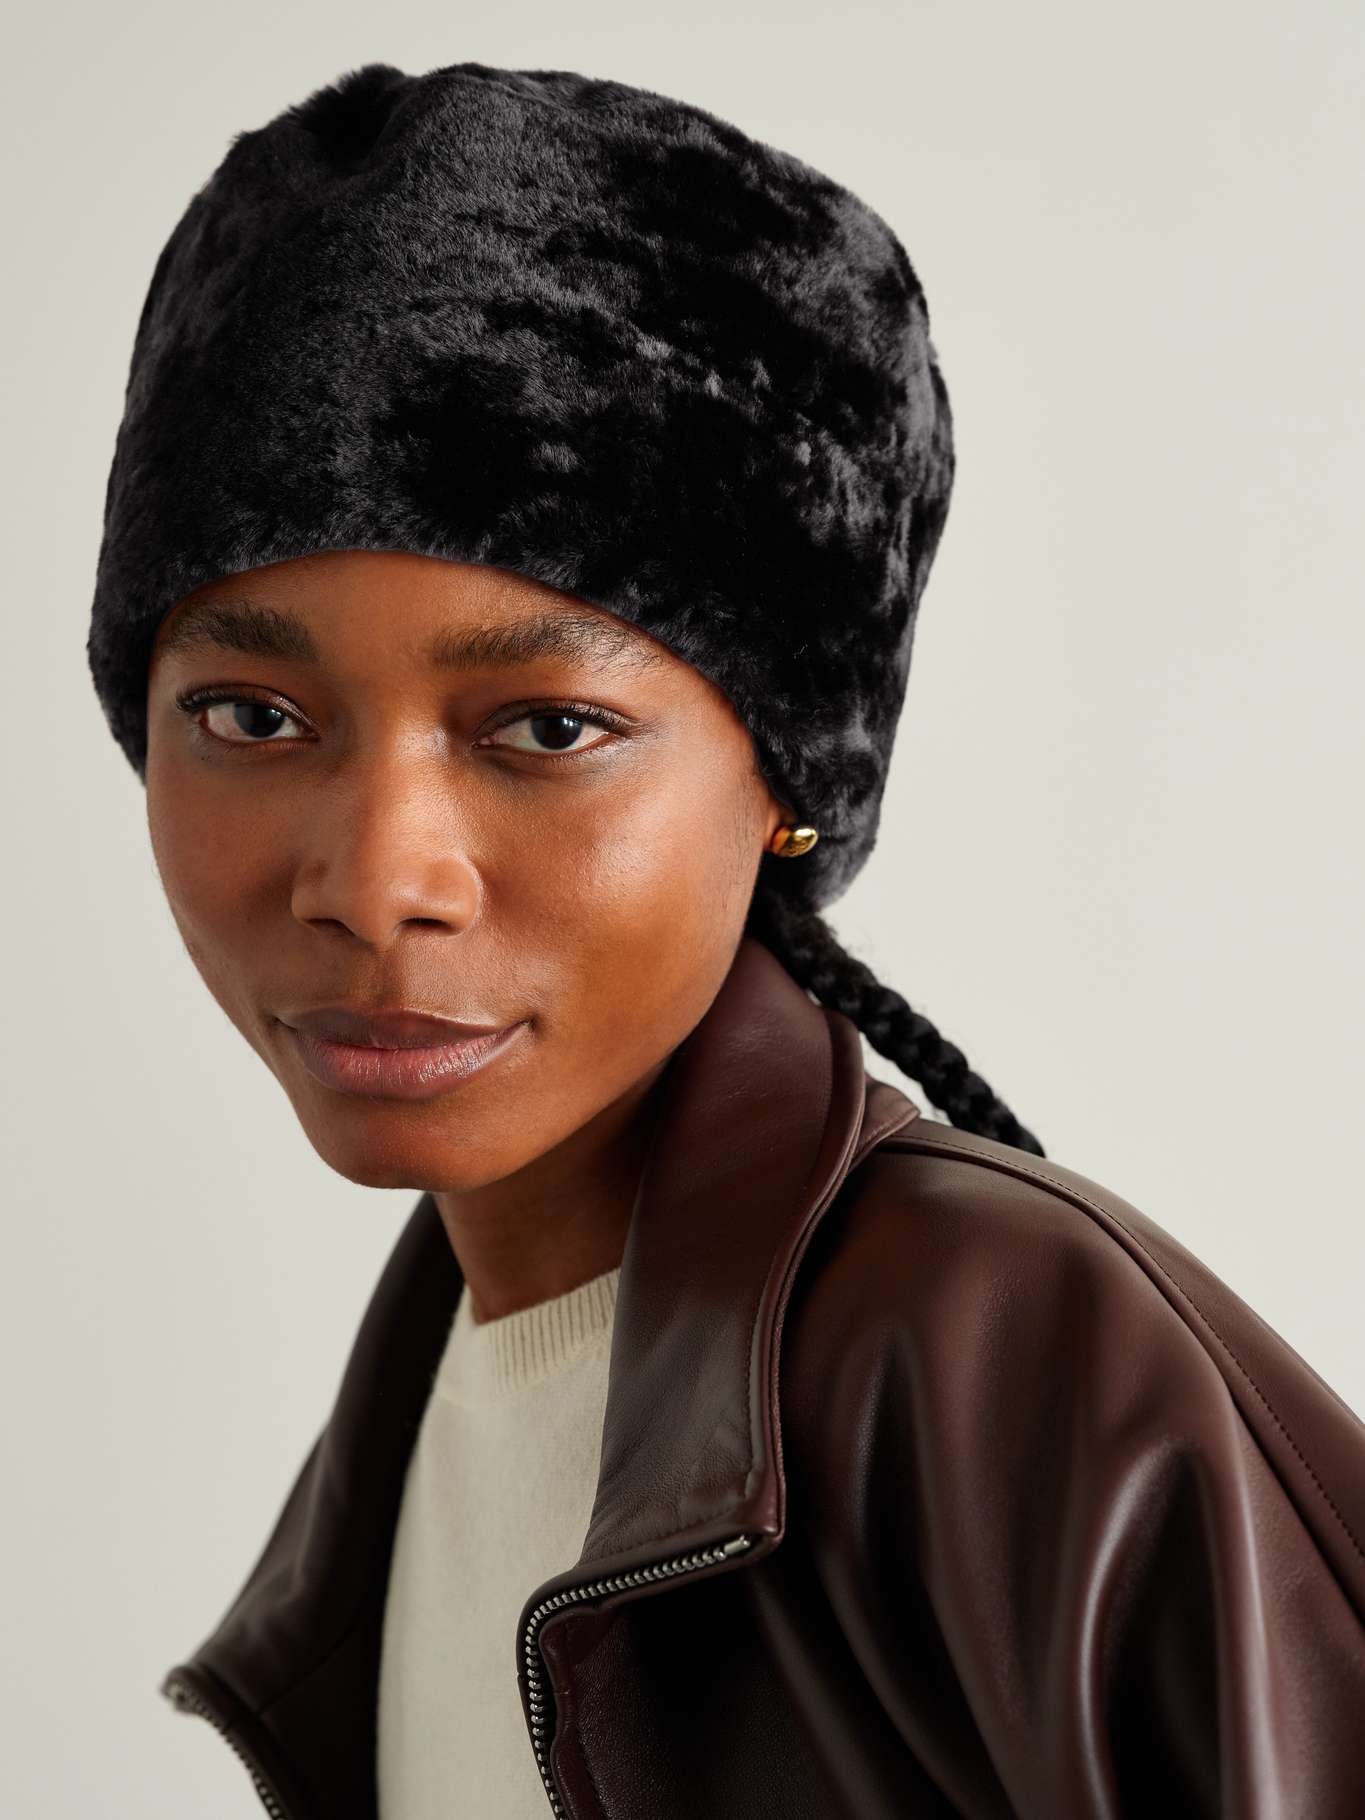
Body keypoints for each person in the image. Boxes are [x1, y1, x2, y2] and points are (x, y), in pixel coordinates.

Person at [88, 58, 1365, 1820]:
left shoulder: (1005, 1357)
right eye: (249, 716)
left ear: (785, 781)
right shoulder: (426, 1399)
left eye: (546, 729)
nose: (378, 882)